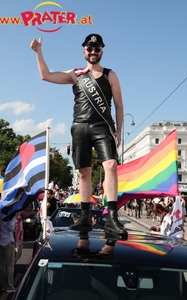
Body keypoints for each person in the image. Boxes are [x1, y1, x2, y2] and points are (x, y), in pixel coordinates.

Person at [30, 33, 127, 238]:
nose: (93, 51)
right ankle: (84, 218)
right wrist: (39, 52)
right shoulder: (76, 74)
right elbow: (45, 75)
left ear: (102, 51)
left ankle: (111, 217)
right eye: (89, 48)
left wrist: (119, 129)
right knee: (83, 172)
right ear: (84, 51)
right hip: (80, 126)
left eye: (97, 48)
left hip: (103, 127)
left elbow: (118, 105)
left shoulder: (111, 75)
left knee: (110, 165)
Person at [0, 199, 16, 293]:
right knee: (10, 265)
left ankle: (2, 284)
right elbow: (11, 227)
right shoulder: (10, 211)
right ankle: (9, 285)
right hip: (8, 239)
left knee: (2, 264)